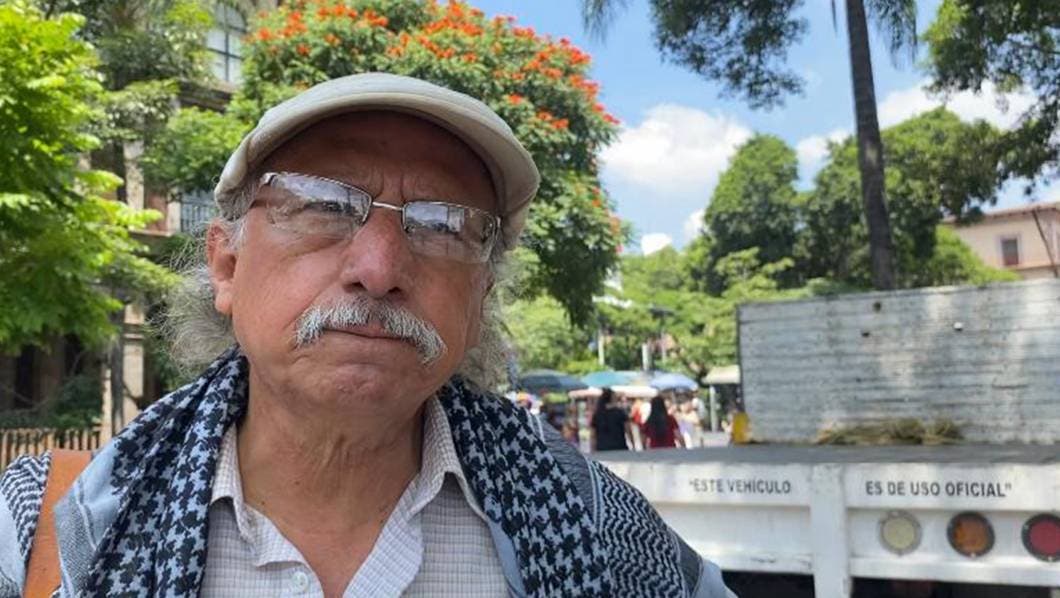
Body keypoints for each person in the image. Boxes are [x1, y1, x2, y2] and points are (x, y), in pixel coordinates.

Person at [0, 73, 732, 597]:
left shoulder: (597, 531)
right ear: (227, 266)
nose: (379, 271)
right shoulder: (41, 528)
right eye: (323, 204)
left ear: (479, 299)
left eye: (443, 224)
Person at [590, 387, 632, 451]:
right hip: (619, 447)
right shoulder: (620, 413)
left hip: (602, 448)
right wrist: (633, 444)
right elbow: (628, 430)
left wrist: (592, 449)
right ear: (612, 398)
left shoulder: (597, 414)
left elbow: (593, 434)